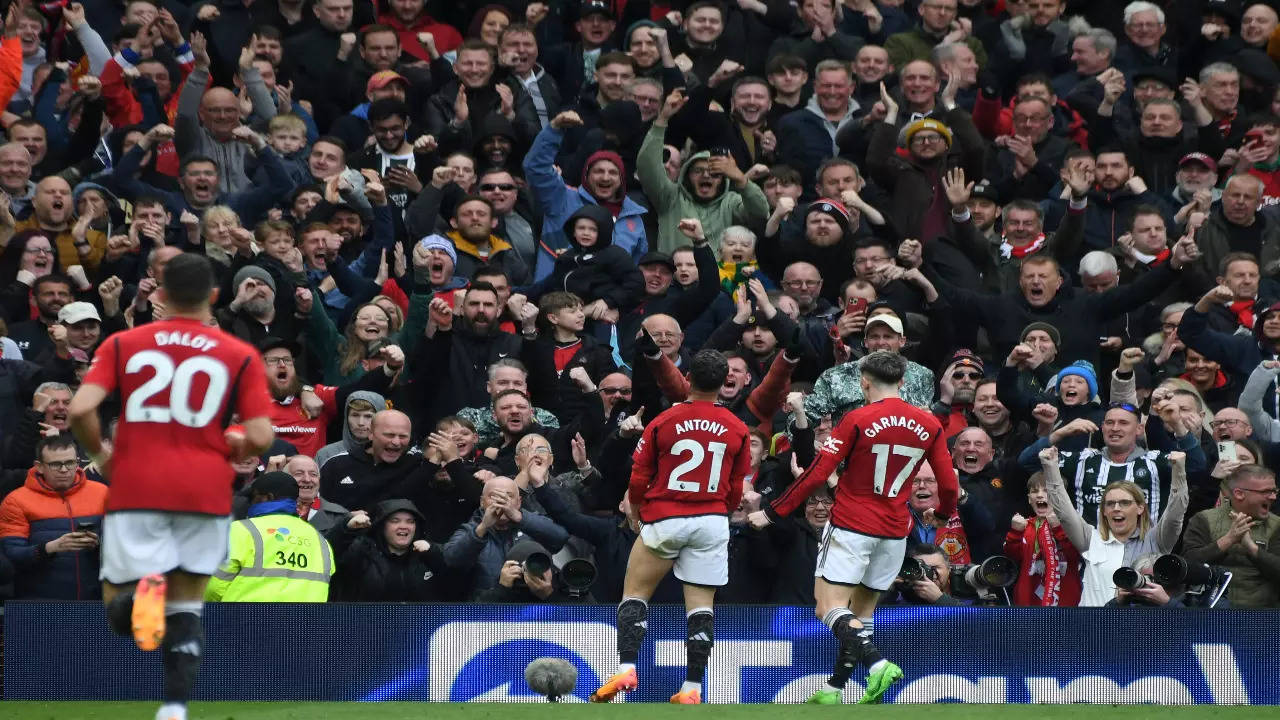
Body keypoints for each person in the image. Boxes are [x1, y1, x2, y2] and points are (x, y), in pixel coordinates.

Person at [67, 253, 274, 720]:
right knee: (188, 606)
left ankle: (144, 590)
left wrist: (102, 456)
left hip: (137, 486)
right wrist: (232, 444)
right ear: (215, 297)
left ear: (160, 294)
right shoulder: (238, 354)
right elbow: (261, 435)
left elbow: (80, 410)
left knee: (123, 617)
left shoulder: (124, 343)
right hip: (205, 490)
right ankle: (175, 708)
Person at [748, 350, 960, 704]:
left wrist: (772, 512)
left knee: (827, 608)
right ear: (902, 382)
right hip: (894, 530)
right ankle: (835, 688)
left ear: (864, 382)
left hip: (851, 525)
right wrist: (943, 514)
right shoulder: (930, 424)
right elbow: (949, 483)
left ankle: (877, 666)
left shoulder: (857, 419)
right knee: (862, 614)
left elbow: (817, 471)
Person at [592, 349, 751, 705]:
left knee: (635, 594)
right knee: (700, 608)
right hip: (711, 520)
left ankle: (626, 668)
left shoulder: (664, 421)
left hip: (666, 516)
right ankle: (692, 689)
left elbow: (640, 473)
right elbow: (737, 485)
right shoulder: (738, 428)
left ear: (688, 378)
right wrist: (718, 513)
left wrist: (635, 507)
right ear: (725, 381)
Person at [1039, 445, 1188, 607]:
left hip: (1140, 628)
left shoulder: (1157, 540)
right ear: (1103, 511)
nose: (1116, 508)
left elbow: (1175, 514)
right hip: (1094, 628)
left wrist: (1179, 471)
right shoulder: (1090, 539)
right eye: (1110, 504)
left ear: (1140, 508)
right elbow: (1063, 512)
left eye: (1124, 503)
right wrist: (1050, 466)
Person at [0, 434, 108, 600]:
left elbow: (122, 547)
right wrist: (51, 548)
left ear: (78, 462)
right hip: (37, 604)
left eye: (70, 463)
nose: (64, 470)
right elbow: (11, 555)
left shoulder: (102, 493)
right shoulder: (16, 501)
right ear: (39, 466)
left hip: (94, 601)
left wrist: (98, 543)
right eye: (56, 464)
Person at [204, 472, 333, 602]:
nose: (250, 503)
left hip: (245, 619)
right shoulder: (320, 540)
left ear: (267, 497)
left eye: (253, 498)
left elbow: (213, 588)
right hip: (304, 621)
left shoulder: (240, 530)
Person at [1181, 464, 1280, 607]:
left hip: (1260, 616)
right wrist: (1228, 540)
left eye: (1274, 491)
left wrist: (1252, 548)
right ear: (1239, 493)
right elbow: (1187, 565)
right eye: (1266, 491)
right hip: (1210, 614)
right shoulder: (1204, 519)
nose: (1274, 497)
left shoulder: (1276, 525)